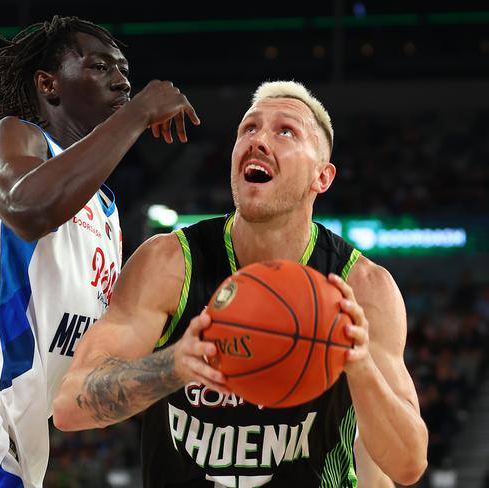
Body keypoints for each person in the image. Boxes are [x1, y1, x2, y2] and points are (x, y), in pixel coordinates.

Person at [0, 15, 200, 488]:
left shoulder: (106, 214)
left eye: (124, 69)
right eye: (100, 66)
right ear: (49, 84)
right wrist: (138, 113)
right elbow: (29, 207)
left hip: (9, 454)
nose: (122, 79)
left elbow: (89, 369)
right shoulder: (12, 138)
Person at [53, 80, 428, 487]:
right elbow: (70, 406)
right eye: (248, 129)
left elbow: (408, 464)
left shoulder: (362, 287)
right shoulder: (170, 264)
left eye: (285, 131)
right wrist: (173, 364)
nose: (259, 140)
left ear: (323, 176)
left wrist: (360, 365)